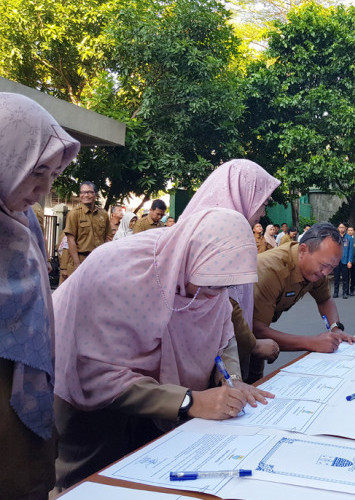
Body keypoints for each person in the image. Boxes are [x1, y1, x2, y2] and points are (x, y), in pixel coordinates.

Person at [52, 208, 274, 489]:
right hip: (92, 408)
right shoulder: (121, 272)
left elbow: (220, 334)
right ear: (190, 256)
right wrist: (190, 402)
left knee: (146, 477)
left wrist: (230, 379)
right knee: (89, 482)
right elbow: (96, 374)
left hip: (161, 403)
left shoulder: (209, 280)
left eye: (224, 285)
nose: (214, 294)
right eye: (210, 283)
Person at [0, 92, 80, 500]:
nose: (44, 188)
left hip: (26, 388)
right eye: (37, 171)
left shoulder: (24, 221)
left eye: (53, 174)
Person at [178, 158, 281, 382]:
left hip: (231, 350)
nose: (263, 213)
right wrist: (251, 347)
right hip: (205, 360)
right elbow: (226, 306)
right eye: (262, 203)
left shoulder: (236, 233)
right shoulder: (215, 235)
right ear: (242, 195)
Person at [245, 223, 355, 383]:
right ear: (303, 250)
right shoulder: (270, 270)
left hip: (259, 328)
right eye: (324, 266)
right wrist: (312, 343)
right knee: (240, 384)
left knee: (255, 381)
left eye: (332, 268)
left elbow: (325, 299)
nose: (326, 273)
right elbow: (257, 330)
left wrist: (335, 328)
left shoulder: (318, 268)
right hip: (234, 336)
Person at [61, 181, 111, 284]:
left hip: (98, 261)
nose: (85, 195)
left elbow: (107, 237)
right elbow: (70, 240)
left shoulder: (103, 214)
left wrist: (104, 259)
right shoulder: (74, 214)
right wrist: (76, 263)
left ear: (96, 194)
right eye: (82, 192)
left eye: (89, 192)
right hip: (80, 259)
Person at [332, 222, 353, 299]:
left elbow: (351, 250)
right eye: (340, 227)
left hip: (345, 261)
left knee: (345, 278)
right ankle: (335, 292)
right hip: (336, 261)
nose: (341, 229)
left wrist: (349, 261)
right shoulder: (335, 237)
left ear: (345, 228)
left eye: (343, 227)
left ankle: (345, 293)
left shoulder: (349, 238)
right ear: (338, 228)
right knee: (336, 277)